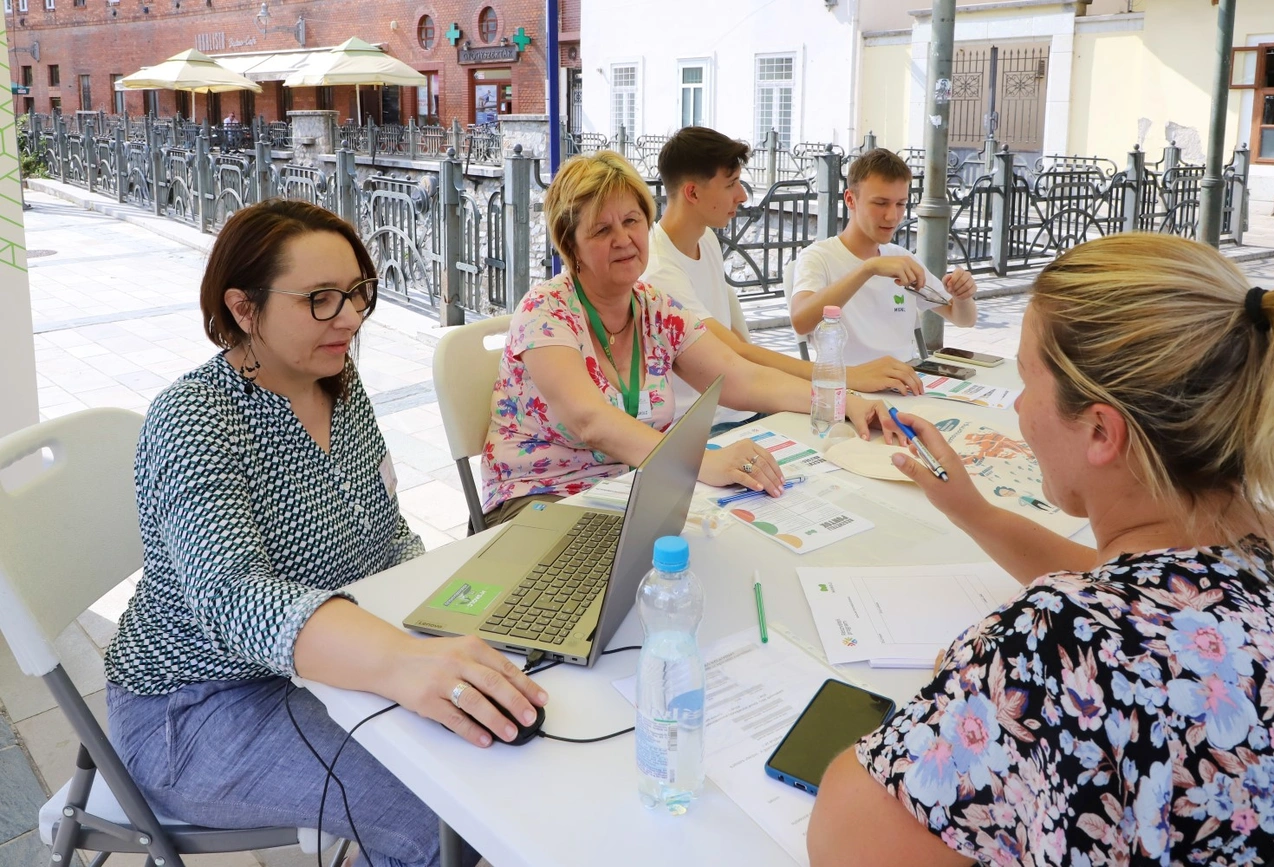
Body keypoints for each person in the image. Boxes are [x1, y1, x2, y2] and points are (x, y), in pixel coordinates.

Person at [807, 233, 1274, 865]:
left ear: (1100, 430)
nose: (1018, 404)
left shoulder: (1058, 644)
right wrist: (972, 510)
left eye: (1025, 378)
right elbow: (1152, 592)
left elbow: (844, 837)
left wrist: (972, 690)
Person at [103, 200, 546, 867]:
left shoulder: (335, 381)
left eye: (357, 292)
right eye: (320, 299)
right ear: (243, 308)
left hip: (310, 668)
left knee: (481, 750)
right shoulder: (195, 418)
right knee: (441, 811)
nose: (350, 318)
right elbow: (231, 594)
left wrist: (441, 620)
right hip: (194, 706)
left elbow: (386, 533)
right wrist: (399, 662)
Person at [481, 150, 903, 526]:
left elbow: (741, 378)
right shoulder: (546, 310)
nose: (623, 240)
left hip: (637, 489)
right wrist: (703, 462)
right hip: (540, 500)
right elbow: (590, 421)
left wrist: (842, 401)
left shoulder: (655, 307)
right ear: (571, 245)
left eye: (631, 221)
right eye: (601, 230)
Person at [643, 127, 925, 435]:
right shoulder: (660, 271)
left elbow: (740, 346)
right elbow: (735, 353)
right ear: (693, 193)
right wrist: (846, 379)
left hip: (744, 409)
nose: (742, 195)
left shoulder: (705, 239)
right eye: (731, 184)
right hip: (702, 427)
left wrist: (840, 389)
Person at [790, 148, 978, 366]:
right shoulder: (819, 257)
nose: (892, 216)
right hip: (850, 380)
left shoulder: (902, 258)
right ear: (850, 200)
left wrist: (963, 296)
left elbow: (964, 319)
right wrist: (868, 269)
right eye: (880, 203)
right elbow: (801, 322)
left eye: (901, 204)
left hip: (907, 377)